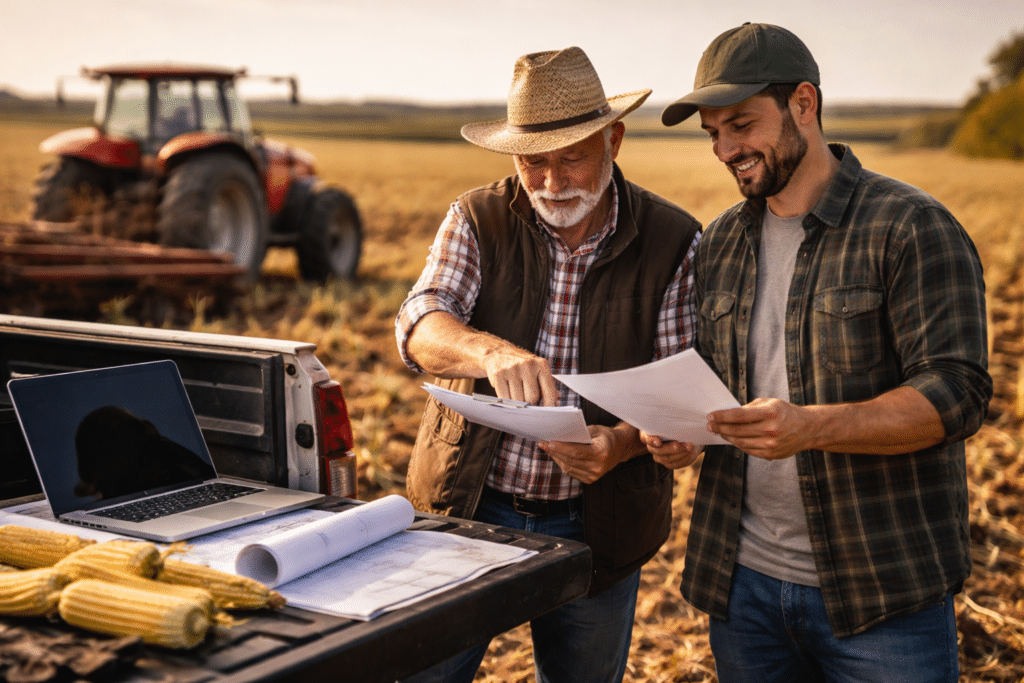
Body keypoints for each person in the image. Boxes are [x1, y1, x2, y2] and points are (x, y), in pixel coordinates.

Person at [647, 22, 992, 682]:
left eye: (742, 125)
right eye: (714, 132)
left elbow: (957, 393)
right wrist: (681, 436)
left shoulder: (911, 226)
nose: (725, 148)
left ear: (804, 103)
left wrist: (812, 427)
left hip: (882, 593)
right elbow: (713, 391)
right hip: (742, 589)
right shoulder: (718, 243)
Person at [395, 46, 702, 683]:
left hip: (599, 525)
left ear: (613, 141)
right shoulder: (477, 217)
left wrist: (620, 443)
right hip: (466, 508)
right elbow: (420, 323)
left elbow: (679, 397)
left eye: (572, 158)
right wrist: (487, 349)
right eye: (534, 162)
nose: (552, 182)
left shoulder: (674, 240)